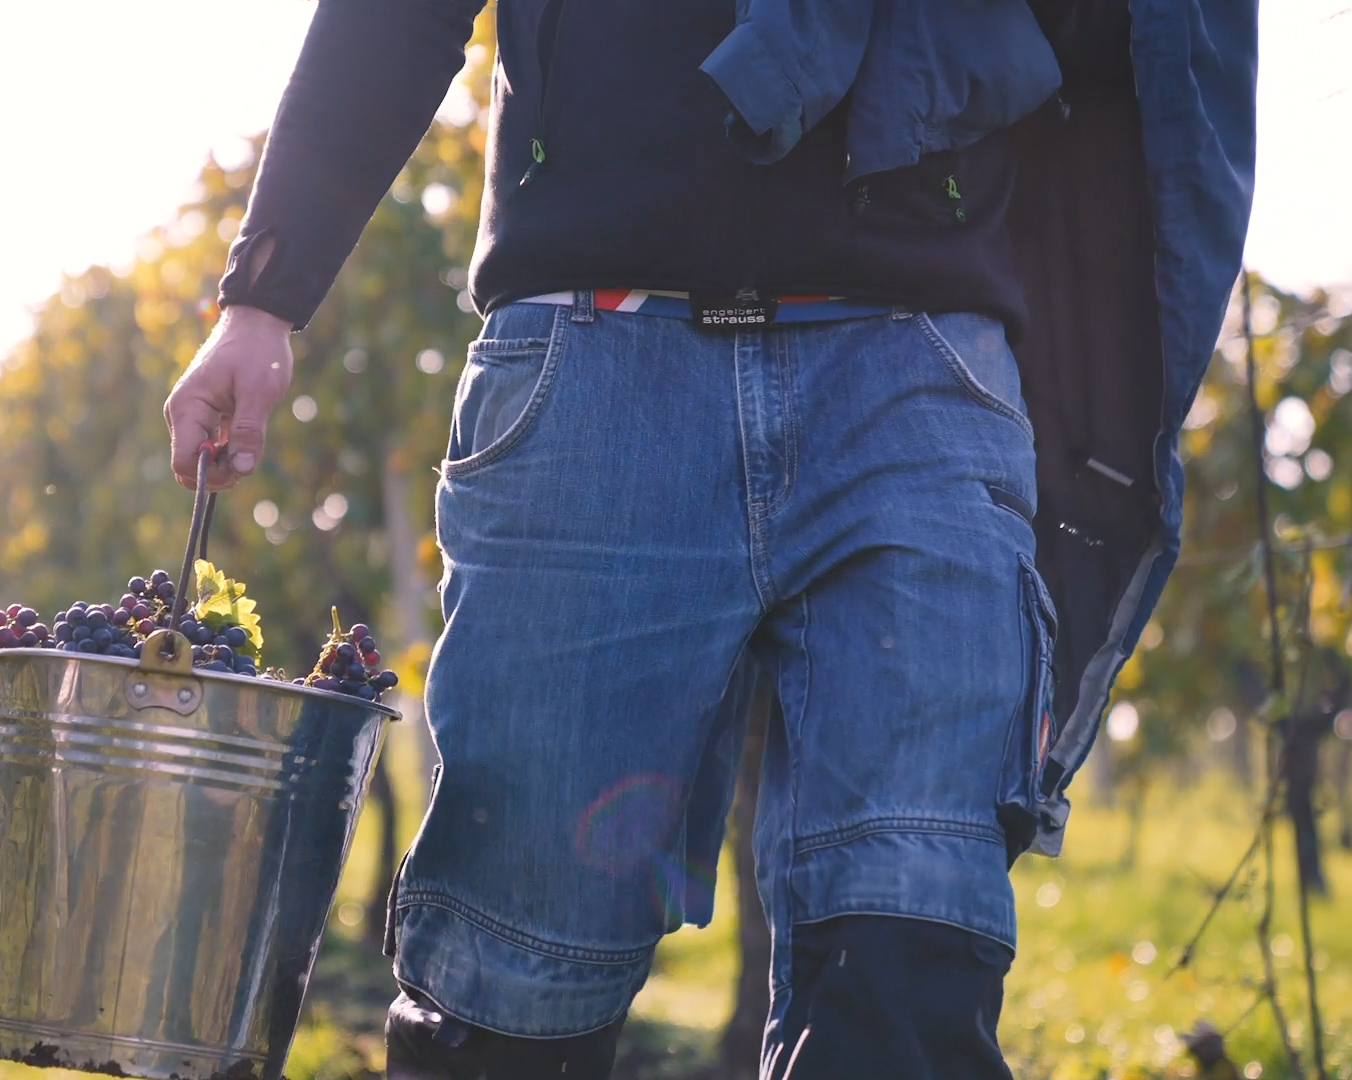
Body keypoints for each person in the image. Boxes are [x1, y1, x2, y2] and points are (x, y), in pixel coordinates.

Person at [163, 2, 1256, 1077]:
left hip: (920, 369)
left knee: (913, 961)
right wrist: (266, 296)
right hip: (594, 359)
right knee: (507, 996)